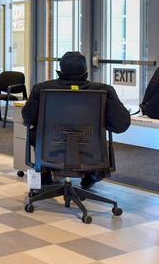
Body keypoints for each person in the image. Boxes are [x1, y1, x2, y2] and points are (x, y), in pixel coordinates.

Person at [22, 50, 131, 187]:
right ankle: (93, 173)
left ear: (60, 69)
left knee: (34, 134)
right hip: (90, 148)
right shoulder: (104, 90)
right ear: (85, 70)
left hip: (51, 147)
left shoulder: (42, 89)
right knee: (93, 136)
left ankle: (44, 173)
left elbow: (28, 118)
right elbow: (121, 124)